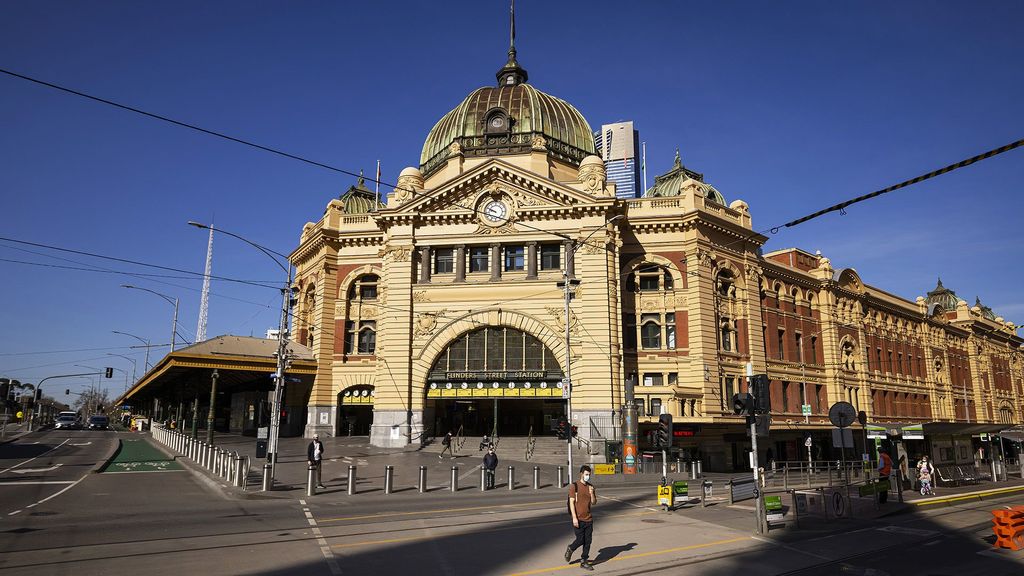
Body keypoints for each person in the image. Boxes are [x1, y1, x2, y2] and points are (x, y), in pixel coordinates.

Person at [565, 465, 597, 571]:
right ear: (581, 474)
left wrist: (592, 493)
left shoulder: (590, 486)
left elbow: (594, 502)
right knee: (580, 539)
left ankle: (584, 561)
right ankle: (571, 548)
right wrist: (574, 518)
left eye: (589, 475)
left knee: (588, 541)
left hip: (589, 519)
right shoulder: (574, 486)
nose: (588, 476)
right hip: (578, 519)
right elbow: (571, 503)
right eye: (586, 474)